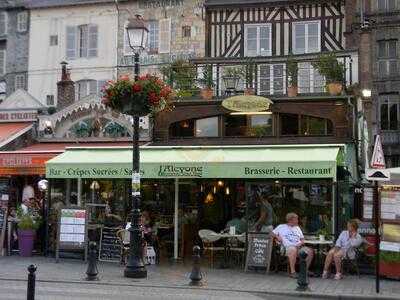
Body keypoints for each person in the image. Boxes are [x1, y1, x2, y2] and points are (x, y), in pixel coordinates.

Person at [272, 212, 314, 278]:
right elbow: (271, 233)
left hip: (299, 247)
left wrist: (301, 243)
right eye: (296, 219)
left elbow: (302, 239)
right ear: (290, 220)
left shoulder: (297, 228)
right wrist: (277, 237)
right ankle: (293, 272)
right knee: (292, 249)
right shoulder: (281, 227)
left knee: (310, 251)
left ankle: (304, 270)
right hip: (286, 248)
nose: (298, 220)